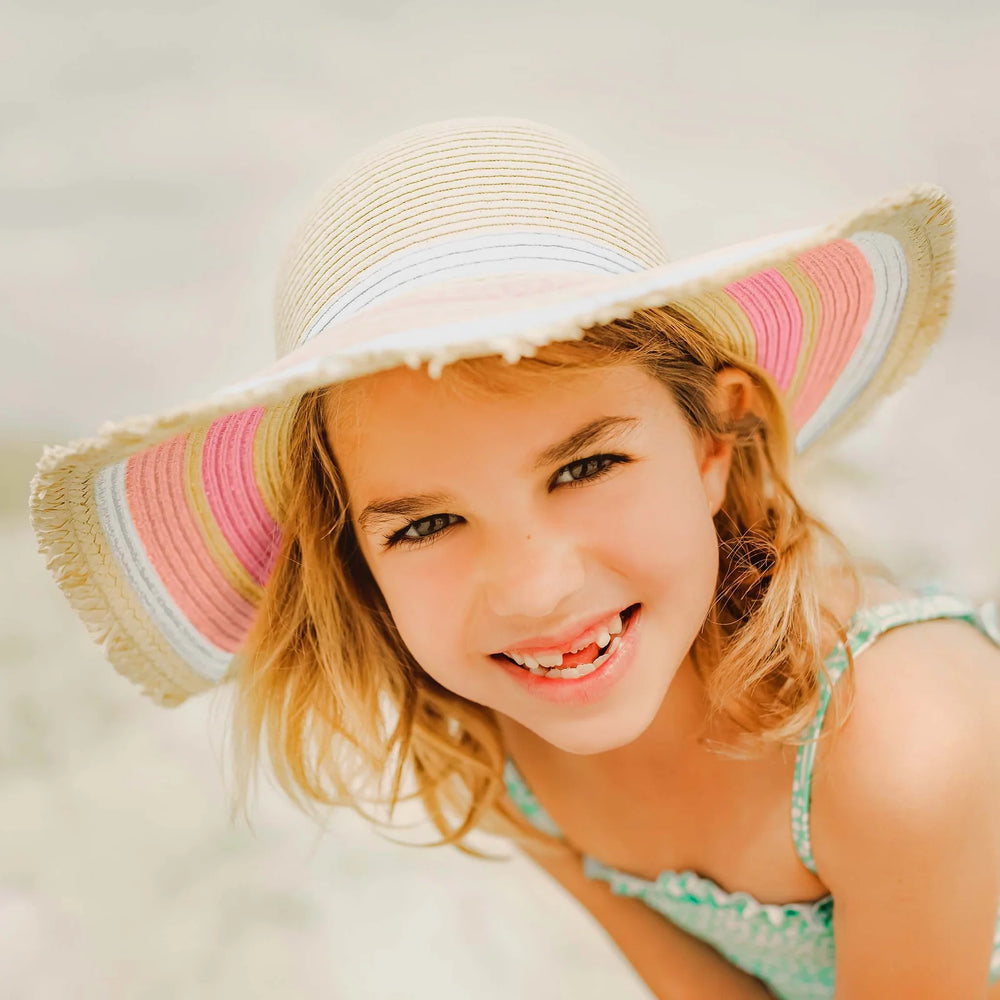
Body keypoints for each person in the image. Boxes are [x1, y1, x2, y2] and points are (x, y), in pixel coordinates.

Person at [30, 117, 1000, 999]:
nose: (537, 589)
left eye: (585, 465)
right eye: (423, 526)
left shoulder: (902, 744)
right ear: (353, 560)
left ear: (717, 440)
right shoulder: (495, 739)